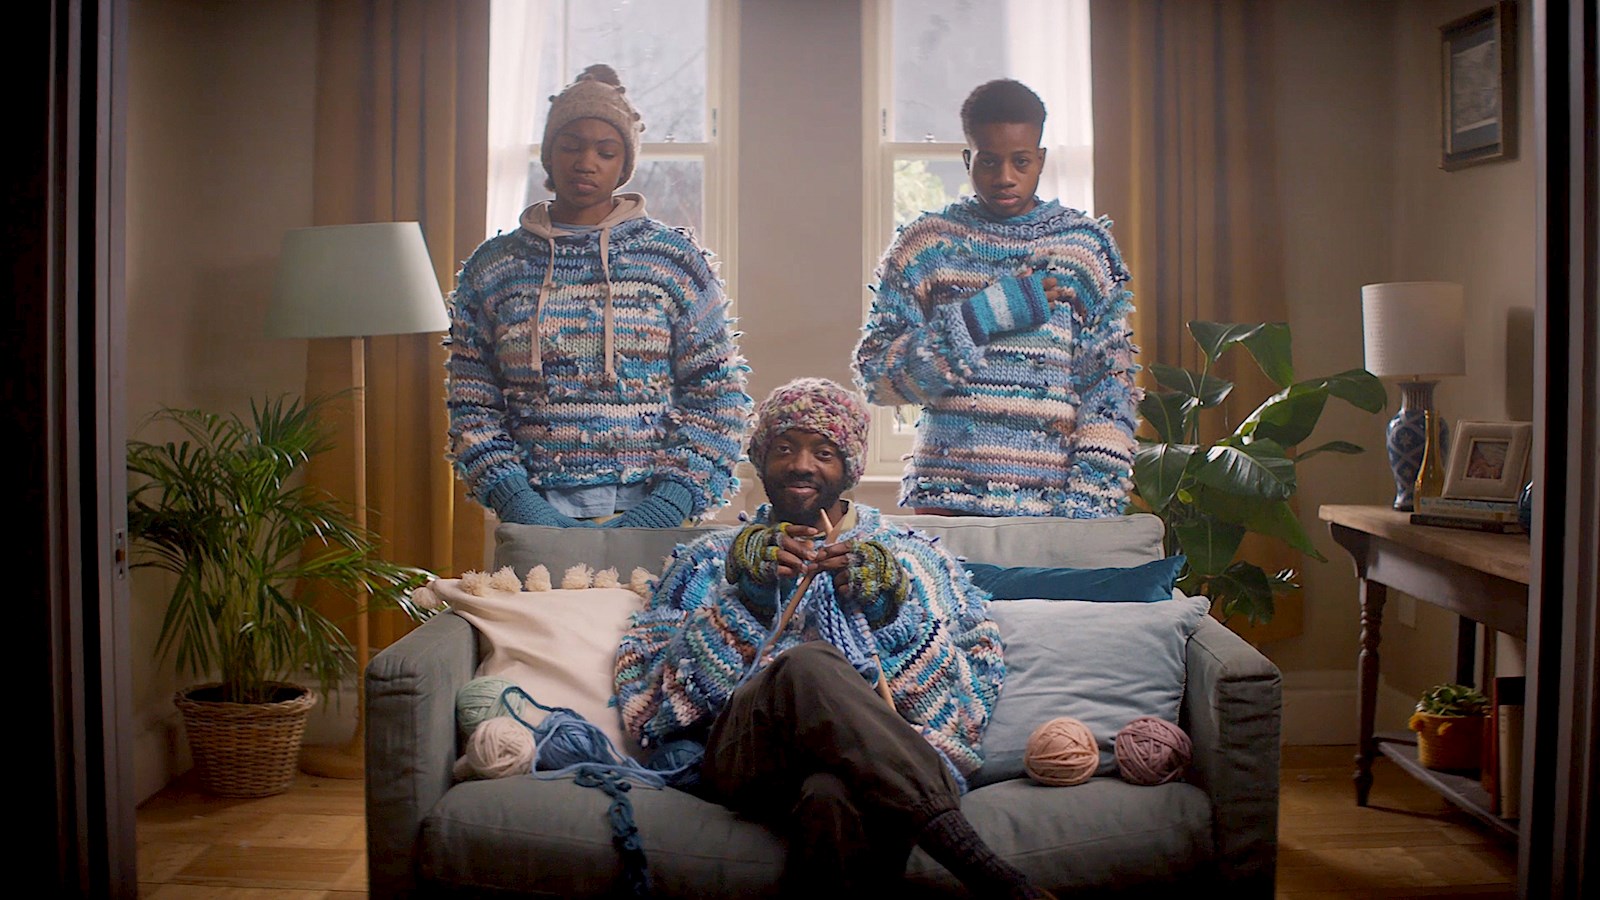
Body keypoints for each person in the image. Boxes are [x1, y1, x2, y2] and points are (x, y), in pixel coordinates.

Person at [614, 377, 1052, 898]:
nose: (802, 465)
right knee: (808, 665)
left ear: (850, 468)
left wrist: (891, 615)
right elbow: (649, 709)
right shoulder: (708, 559)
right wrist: (747, 600)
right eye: (784, 448)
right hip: (744, 758)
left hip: (874, 769)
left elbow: (961, 709)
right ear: (759, 459)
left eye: (824, 452)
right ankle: (987, 872)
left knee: (830, 794)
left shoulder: (913, 559)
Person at [445, 64, 753, 529]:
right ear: (549, 155)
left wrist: (668, 504)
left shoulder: (672, 259)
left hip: (652, 510)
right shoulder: (494, 267)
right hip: (530, 512)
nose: (585, 162)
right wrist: (517, 501)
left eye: (605, 151)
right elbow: (472, 406)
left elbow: (719, 398)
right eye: (570, 146)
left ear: (623, 164)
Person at [851, 77, 1142, 519]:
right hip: (945, 499)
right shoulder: (925, 246)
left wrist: (1088, 507)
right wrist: (979, 315)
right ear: (967, 159)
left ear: (1041, 160)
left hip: (1050, 506)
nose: (1005, 177)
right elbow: (877, 377)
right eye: (988, 162)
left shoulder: (1084, 248)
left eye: (1020, 161)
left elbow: (1110, 386)